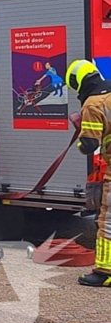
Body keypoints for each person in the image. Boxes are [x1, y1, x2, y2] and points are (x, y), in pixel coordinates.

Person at [66, 59, 111, 286]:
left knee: (108, 221)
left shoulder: (93, 104)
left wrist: (80, 137)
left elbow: (89, 145)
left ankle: (105, 272)